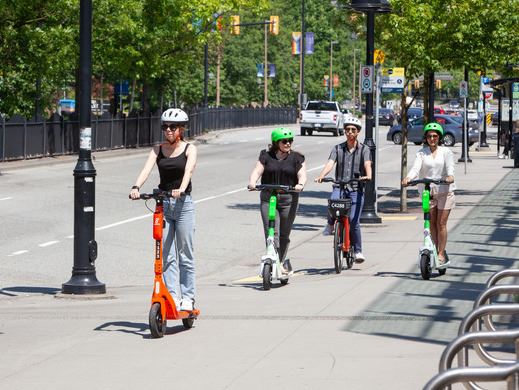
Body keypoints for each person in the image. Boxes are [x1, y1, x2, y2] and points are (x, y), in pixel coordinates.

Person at [129, 108, 198, 311]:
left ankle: (188, 297)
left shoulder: (189, 149)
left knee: (185, 254)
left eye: (173, 127)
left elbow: (189, 170)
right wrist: (136, 187)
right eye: (165, 126)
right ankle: (174, 297)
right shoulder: (157, 149)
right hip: (164, 203)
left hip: (183, 204)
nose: (168, 130)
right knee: (166, 255)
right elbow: (146, 169)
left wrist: (182, 189)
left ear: (182, 129)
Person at [248, 128, 307, 271]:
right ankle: (272, 258)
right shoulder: (266, 156)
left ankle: (280, 262)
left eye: (290, 141)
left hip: (289, 199)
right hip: (268, 197)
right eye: (284, 141)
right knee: (271, 232)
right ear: (276, 142)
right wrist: (252, 182)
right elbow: (257, 171)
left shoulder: (297, 158)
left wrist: (300, 184)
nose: (288, 144)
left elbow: (302, 174)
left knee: (284, 233)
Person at [315, 115, 372, 263]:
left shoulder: (364, 149)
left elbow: (367, 164)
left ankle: (358, 251)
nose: (350, 132)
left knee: (354, 221)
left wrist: (368, 175)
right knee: (333, 201)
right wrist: (321, 176)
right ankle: (330, 224)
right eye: (347, 130)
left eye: (353, 130)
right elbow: (329, 164)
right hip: (340, 186)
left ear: (358, 132)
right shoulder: (338, 148)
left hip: (355, 188)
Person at [402, 122, 455, 264]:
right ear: (426, 138)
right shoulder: (421, 153)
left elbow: (450, 169)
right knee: (431, 223)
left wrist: (449, 177)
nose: (432, 139)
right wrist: (408, 178)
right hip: (428, 192)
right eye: (430, 136)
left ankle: (441, 253)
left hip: (445, 191)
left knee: (441, 223)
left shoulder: (446, 152)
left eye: (435, 136)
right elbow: (415, 168)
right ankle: (433, 248)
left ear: (439, 137)